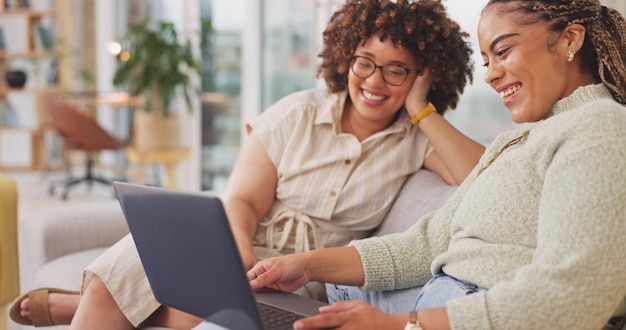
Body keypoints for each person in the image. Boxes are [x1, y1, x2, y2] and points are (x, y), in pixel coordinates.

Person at [10, 0, 486, 329]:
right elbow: (241, 200)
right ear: (346, 57)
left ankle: (73, 308)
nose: (374, 80)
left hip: (299, 274)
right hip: (236, 243)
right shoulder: (297, 113)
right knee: (127, 267)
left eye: (396, 69)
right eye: (365, 61)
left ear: (423, 75)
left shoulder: (413, 140)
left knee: (203, 314)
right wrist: (240, 253)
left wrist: (423, 110)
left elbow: (484, 175)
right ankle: (86, 305)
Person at [247, 0, 626, 329]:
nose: (491, 74)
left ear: (571, 39)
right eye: (486, 60)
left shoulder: (601, 126)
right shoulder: (517, 140)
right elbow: (426, 243)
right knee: (252, 311)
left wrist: (402, 327)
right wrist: (305, 266)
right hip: (430, 302)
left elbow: (572, 297)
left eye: (504, 51)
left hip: (460, 313)